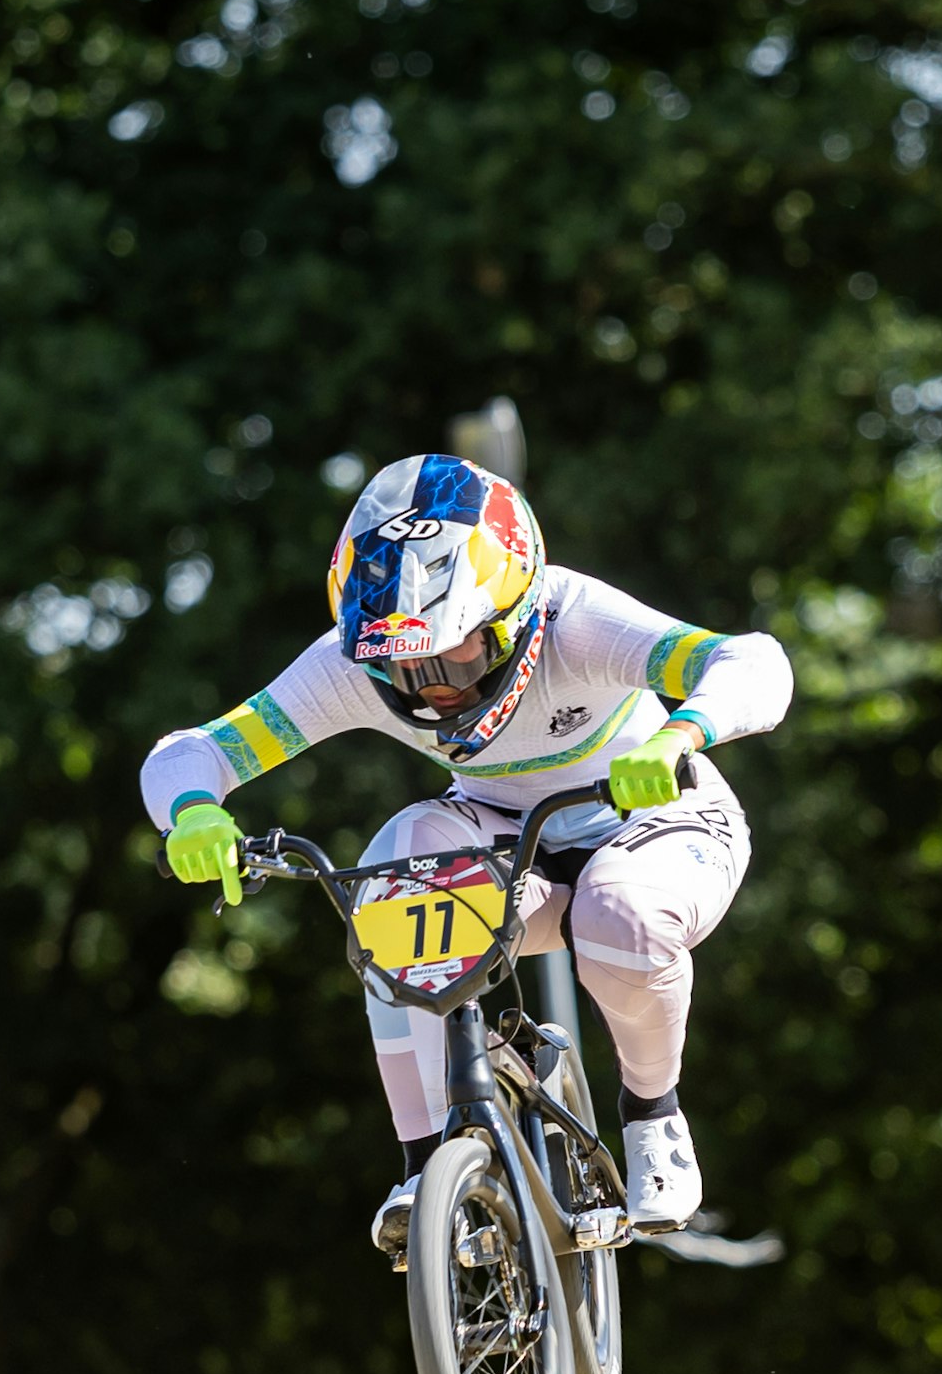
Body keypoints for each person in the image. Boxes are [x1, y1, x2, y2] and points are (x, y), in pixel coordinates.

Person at [140, 454, 791, 1254]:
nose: (430, 686)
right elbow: (192, 752)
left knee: (616, 912)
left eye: (454, 654)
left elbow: (752, 660)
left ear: (514, 616)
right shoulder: (352, 661)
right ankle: (425, 1168)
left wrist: (679, 733)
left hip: (658, 821)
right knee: (391, 886)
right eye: (400, 664)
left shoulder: (576, 619)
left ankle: (654, 1116)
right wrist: (194, 812)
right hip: (505, 835)